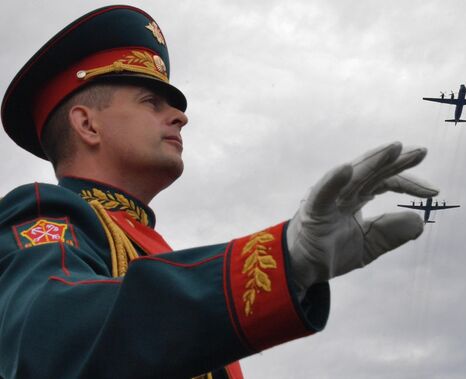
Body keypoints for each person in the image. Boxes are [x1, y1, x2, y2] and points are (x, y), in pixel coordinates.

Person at [0, 5, 437, 379]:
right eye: (152, 102)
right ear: (87, 124)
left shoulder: (153, 255)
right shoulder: (43, 214)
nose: (180, 118)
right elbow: (49, 340)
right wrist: (280, 259)